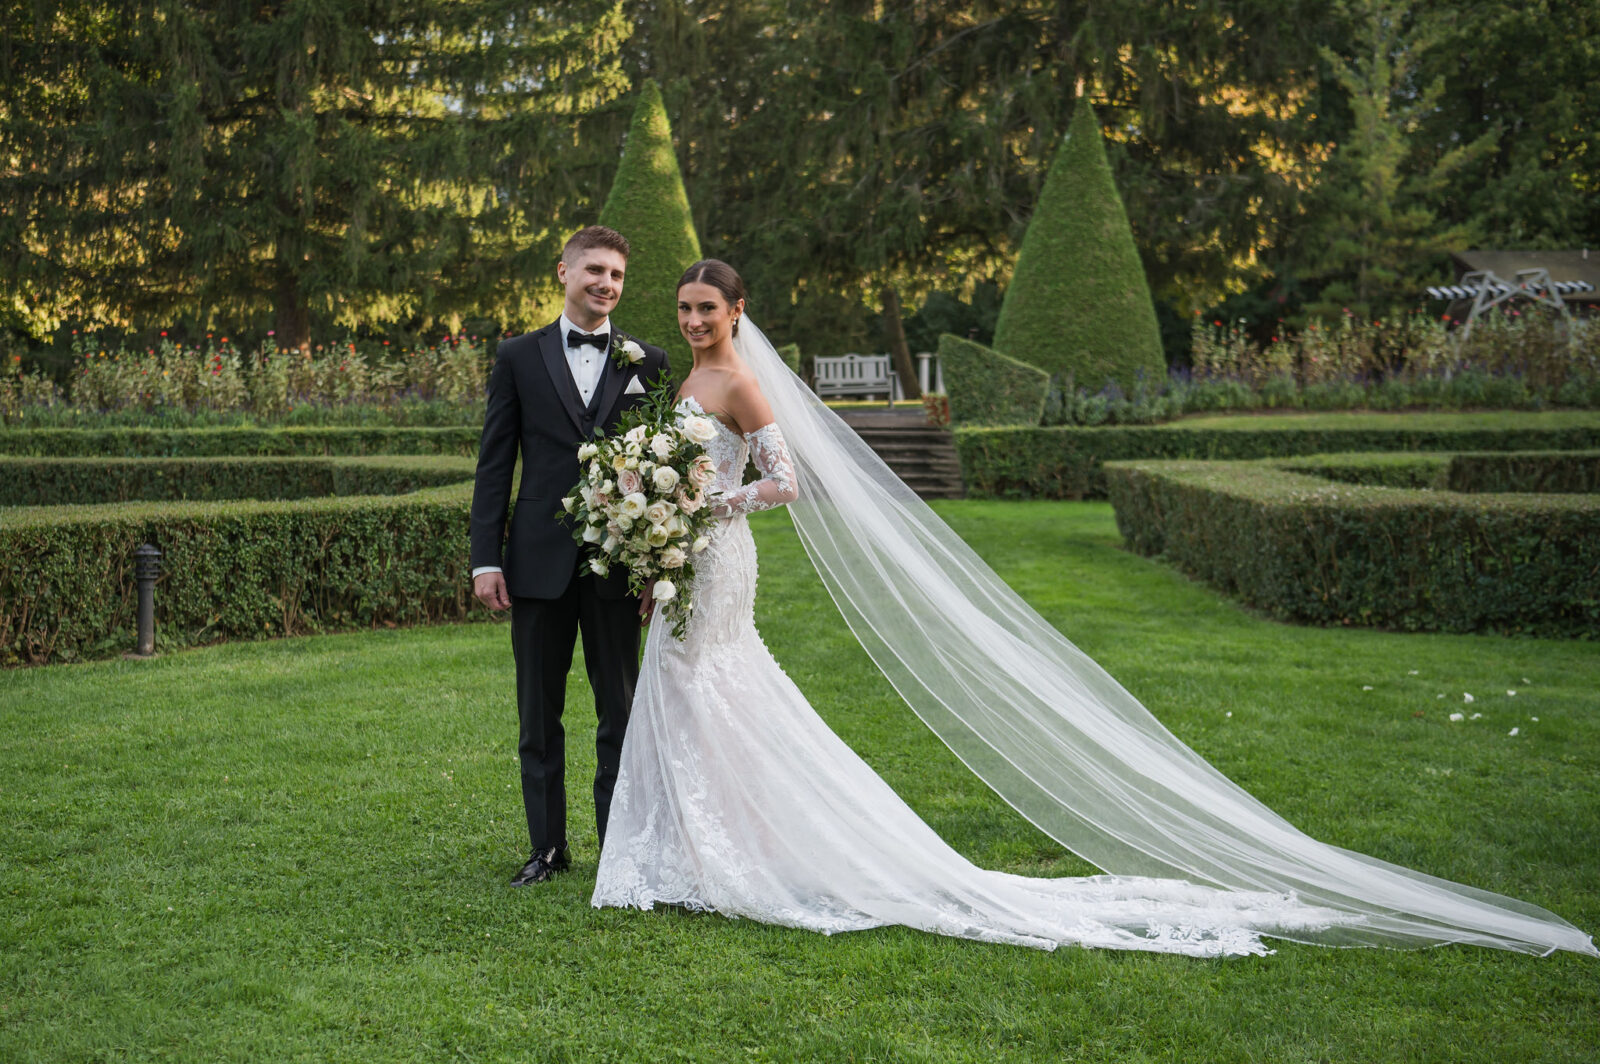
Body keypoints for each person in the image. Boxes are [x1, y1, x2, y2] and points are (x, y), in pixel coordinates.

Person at [590, 259, 1597, 958]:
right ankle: (700, 845)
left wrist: (697, 501)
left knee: (717, 686)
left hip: (722, 553)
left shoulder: (743, 383)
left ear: (737, 310)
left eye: (704, 309)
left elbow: (787, 484)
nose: (690, 320)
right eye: (681, 307)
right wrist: (658, 514)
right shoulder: (693, 374)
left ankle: (741, 850)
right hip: (691, 554)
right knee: (694, 692)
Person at [469, 225, 671, 887]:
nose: (605, 284)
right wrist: (485, 559)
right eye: (594, 271)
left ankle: (619, 847)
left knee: (620, 710)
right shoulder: (518, 357)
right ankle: (547, 848)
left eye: (615, 274)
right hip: (535, 562)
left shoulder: (649, 364)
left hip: (618, 566)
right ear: (564, 271)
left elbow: (669, 468)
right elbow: (495, 464)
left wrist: (657, 567)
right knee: (538, 713)